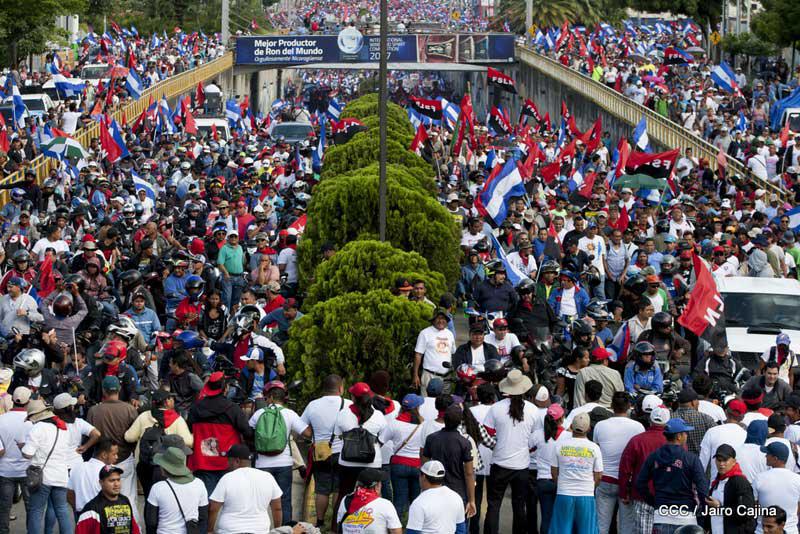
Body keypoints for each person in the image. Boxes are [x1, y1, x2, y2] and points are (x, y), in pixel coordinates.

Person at [482, 369, 536, 534]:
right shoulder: (533, 410)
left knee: (494, 504)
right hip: (521, 467)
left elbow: (487, 433)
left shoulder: (496, 408)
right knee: (519, 505)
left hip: (499, 464)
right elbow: (535, 440)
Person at [249, 380, 311, 524]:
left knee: (260, 501)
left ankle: (259, 528)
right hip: (284, 464)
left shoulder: (259, 413)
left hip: (261, 464)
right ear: (284, 398)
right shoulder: (290, 414)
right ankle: (286, 529)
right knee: (284, 499)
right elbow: (307, 433)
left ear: (269, 397)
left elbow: (247, 432)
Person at [636, 418, 708, 532]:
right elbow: (702, 488)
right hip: (686, 517)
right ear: (679, 436)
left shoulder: (653, 456)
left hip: (661, 515)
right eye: (685, 433)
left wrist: (655, 502)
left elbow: (640, 483)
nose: (687, 436)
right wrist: (704, 513)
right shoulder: (691, 459)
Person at [187, 371, 253, 495]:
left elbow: (189, 429)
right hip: (228, 462)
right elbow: (247, 431)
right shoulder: (232, 408)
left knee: (206, 502)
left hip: (202, 462)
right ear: (225, 388)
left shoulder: (196, 408)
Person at [300, 374, 351, 529]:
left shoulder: (313, 405)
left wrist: (315, 435)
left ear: (324, 388)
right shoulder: (348, 404)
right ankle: (335, 522)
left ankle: (320, 522)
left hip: (321, 453)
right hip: (342, 453)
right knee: (338, 488)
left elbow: (302, 428)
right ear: (341, 388)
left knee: (322, 489)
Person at [333, 382, 388, 522]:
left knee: (344, 495)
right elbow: (383, 438)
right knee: (374, 497)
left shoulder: (343, 414)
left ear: (353, 397)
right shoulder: (379, 416)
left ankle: (339, 526)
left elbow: (338, 435)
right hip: (372, 463)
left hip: (347, 462)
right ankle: (372, 525)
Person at [86, 376, 140, 520]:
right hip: (124, 458)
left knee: (101, 501)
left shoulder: (94, 411)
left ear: (103, 390)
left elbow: (88, 436)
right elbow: (134, 437)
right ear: (119, 389)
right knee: (129, 499)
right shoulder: (129, 409)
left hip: (101, 462)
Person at [124, 389, 193, 497]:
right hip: (168, 467)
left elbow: (129, 437)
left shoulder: (144, 416)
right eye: (171, 398)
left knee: (149, 497)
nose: (173, 400)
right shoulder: (177, 419)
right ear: (166, 402)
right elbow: (188, 442)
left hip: (144, 464)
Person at [592, 392, 645, 533]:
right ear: (629, 406)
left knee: (601, 524)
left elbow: (596, 451)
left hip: (605, 479)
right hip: (628, 481)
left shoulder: (600, 426)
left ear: (611, 406)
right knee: (626, 526)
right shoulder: (638, 427)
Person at [21, 398, 74, 534]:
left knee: (36, 511)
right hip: (61, 476)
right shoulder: (63, 428)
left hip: (43, 478)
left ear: (35, 415)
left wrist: (22, 447)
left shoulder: (38, 428)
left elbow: (27, 453)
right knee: (62, 510)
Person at [208, 444, 284, 534]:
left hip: (230, 531)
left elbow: (213, 508)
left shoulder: (227, 478)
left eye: (229, 460)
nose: (227, 464)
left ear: (237, 461)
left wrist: (209, 530)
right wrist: (277, 530)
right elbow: (277, 508)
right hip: (260, 531)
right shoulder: (268, 477)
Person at [548, 412, 603, 534]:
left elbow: (553, 472)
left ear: (571, 426)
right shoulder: (594, 448)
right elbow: (598, 476)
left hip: (564, 493)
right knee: (587, 530)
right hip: (586, 495)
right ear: (588, 429)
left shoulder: (559, 445)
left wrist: (561, 484)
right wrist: (590, 487)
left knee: (561, 529)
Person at [618, 406, 671, 534]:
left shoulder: (637, 440)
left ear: (650, 419)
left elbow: (625, 468)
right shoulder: (674, 442)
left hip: (642, 496)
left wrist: (624, 493)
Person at [145, 447, 209, 534]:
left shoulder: (157, 488)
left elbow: (151, 522)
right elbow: (203, 517)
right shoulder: (199, 484)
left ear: (165, 467)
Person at [384, 393, 425, 518]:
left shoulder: (394, 423)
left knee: (399, 500)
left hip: (398, 464)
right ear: (417, 408)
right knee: (417, 501)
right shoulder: (423, 425)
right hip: (417, 465)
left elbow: (381, 440)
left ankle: (396, 528)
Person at [702, 444, 756, 534]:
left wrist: (719, 507)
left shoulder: (740, 482)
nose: (721, 464)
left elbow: (747, 512)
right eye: (719, 460)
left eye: (725, 460)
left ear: (734, 461)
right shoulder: (717, 481)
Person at [0, 387, 32, 534]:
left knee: (4, 507)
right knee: (31, 507)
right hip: (28, 470)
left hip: (5, 470)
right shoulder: (33, 421)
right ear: (28, 401)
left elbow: (1, 451)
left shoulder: (1, 419)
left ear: (12, 400)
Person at [74, 465, 140, 534]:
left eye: (118, 480)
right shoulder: (91, 508)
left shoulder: (125, 500)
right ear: (101, 482)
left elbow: (134, 528)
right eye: (112, 480)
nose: (116, 484)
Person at [406, 460, 467, 534]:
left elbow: (412, 532)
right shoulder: (456, 497)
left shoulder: (419, 502)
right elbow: (461, 530)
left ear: (424, 477)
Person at [336, 468, 402, 534]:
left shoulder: (346, 499)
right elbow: (396, 531)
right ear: (377, 486)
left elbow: (339, 524)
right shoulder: (385, 504)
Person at [752, 442, 800, 533]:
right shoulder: (797, 479)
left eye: (768, 454)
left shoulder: (760, 478)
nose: (765, 456)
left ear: (775, 459)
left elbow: (754, 505)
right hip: (791, 530)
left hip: (762, 531)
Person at [699, 399, 748, 481]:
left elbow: (702, 464)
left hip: (716, 487)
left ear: (726, 412)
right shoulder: (746, 435)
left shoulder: (712, 432)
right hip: (738, 486)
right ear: (742, 417)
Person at [67, 437, 119, 514]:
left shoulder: (76, 468)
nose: (116, 457)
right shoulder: (108, 471)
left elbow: (69, 493)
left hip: (81, 513)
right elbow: (113, 496)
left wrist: (77, 508)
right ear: (104, 455)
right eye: (114, 454)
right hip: (102, 514)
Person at [412, 308, 456, 393]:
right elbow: (418, 355)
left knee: (444, 404)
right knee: (427, 403)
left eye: (443, 318)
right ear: (433, 320)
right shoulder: (425, 333)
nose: (441, 321)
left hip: (446, 378)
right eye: (438, 318)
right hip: (429, 376)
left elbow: (453, 353)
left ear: (447, 321)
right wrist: (415, 375)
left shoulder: (450, 334)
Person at [673, 388, 717, 455]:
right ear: (693, 402)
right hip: (701, 462)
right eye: (697, 400)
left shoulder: (670, 418)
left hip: (677, 462)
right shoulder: (706, 419)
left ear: (679, 403)